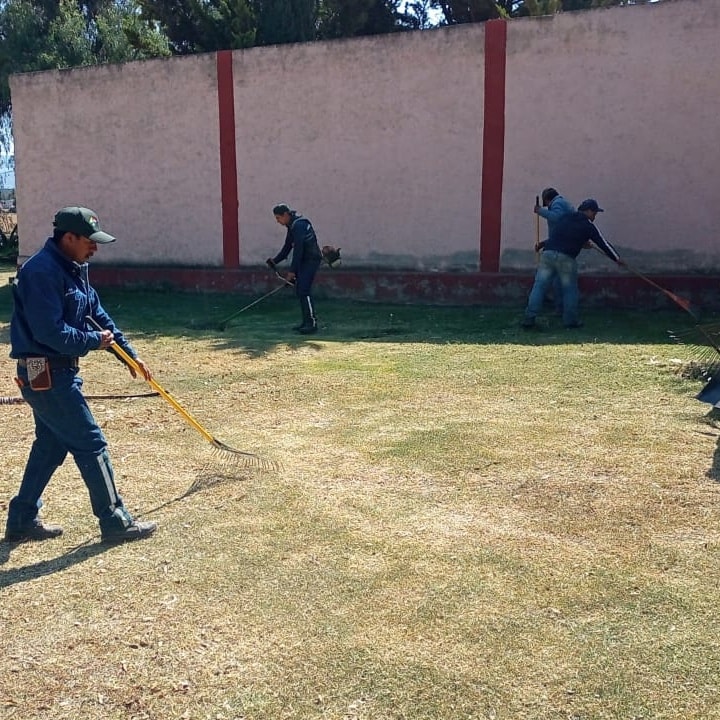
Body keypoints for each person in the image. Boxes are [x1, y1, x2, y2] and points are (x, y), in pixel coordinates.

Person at [4, 206, 158, 544]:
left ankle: (21, 519)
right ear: (69, 237)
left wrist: (128, 356)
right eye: (90, 241)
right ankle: (115, 521)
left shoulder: (76, 268)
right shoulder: (41, 272)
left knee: (50, 446)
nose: (96, 248)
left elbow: (97, 314)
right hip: (44, 372)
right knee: (91, 443)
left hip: (58, 372)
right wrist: (94, 343)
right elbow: (50, 333)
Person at [522, 199, 624, 329]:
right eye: (594, 213)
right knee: (570, 290)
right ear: (588, 211)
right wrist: (617, 258)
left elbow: (558, 237)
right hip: (566, 259)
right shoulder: (588, 225)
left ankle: (529, 318)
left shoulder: (566, 218)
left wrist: (542, 244)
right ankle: (570, 321)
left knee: (539, 287)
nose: (594, 217)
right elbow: (602, 243)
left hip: (548, 255)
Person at [266, 203, 322, 334]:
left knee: (304, 290)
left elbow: (298, 250)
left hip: (311, 260)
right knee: (300, 290)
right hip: (303, 261)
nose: (278, 221)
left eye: (278, 218)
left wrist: (292, 271)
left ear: (286, 214)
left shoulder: (299, 226)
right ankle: (306, 322)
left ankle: (311, 323)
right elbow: (287, 247)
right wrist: (275, 261)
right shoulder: (292, 226)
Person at [534, 188, 575, 312]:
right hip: (562, 247)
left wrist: (540, 211)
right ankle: (560, 308)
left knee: (552, 281)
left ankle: (560, 309)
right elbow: (559, 233)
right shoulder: (563, 204)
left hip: (561, 250)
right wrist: (543, 244)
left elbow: (557, 218)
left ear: (547, 199)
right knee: (559, 281)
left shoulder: (558, 203)